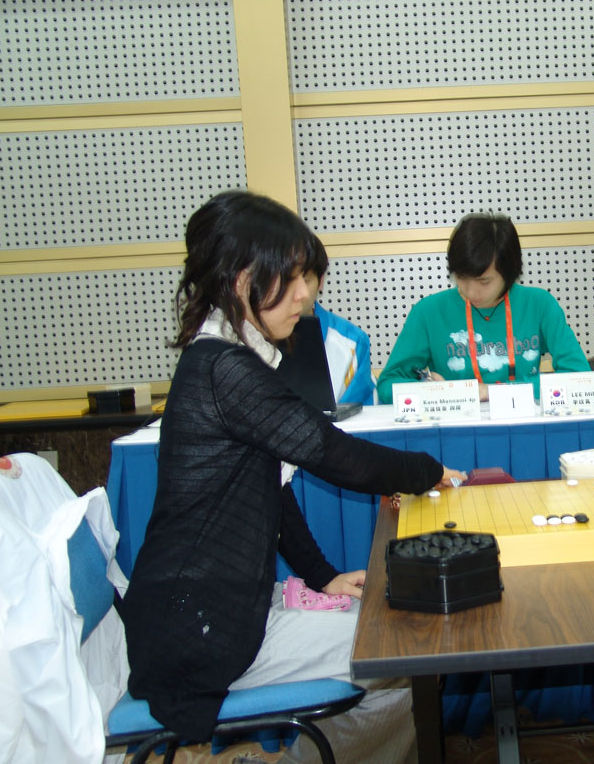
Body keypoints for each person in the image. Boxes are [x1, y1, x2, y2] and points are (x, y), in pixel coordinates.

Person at [119, 190, 465, 764]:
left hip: (212, 609)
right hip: (202, 631)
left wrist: (322, 577)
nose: (306, 295)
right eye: (292, 277)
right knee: (409, 648)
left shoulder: (225, 357)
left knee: (393, 635)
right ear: (241, 280)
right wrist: (427, 471)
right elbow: (335, 456)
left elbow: (270, 492)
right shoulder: (225, 369)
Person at [376, 212, 590, 403]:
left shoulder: (539, 305)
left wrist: (494, 392)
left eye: (484, 282)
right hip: (457, 426)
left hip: (525, 423)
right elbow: (387, 384)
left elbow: (579, 377)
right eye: (461, 278)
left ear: (509, 272)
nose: (471, 292)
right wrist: (429, 391)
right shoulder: (428, 312)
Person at [299, 263, 377, 406]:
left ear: (320, 281)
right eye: (283, 281)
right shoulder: (252, 341)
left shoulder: (352, 342)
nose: (295, 293)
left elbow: (360, 414)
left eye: (304, 280)